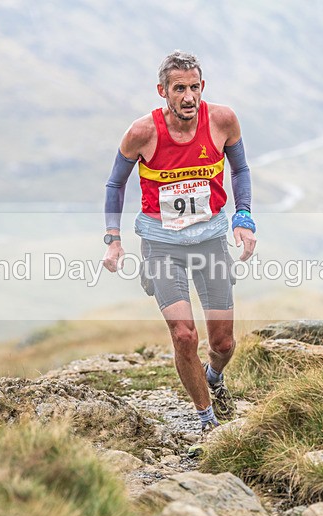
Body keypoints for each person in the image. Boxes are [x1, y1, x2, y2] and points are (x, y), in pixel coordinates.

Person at [102, 50, 257, 433]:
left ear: (202, 87)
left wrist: (243, 216)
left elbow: (240, 169)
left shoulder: (222, 120)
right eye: (179, 89)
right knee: (184, 335)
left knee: (223, 344)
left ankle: (214, 377)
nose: (188, 97)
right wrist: (113, 239)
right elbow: (115, 184)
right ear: (163, 91)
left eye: (194, 87)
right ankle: (208, 421)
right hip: (162, 245)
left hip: (210, 241)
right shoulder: (142, 132)